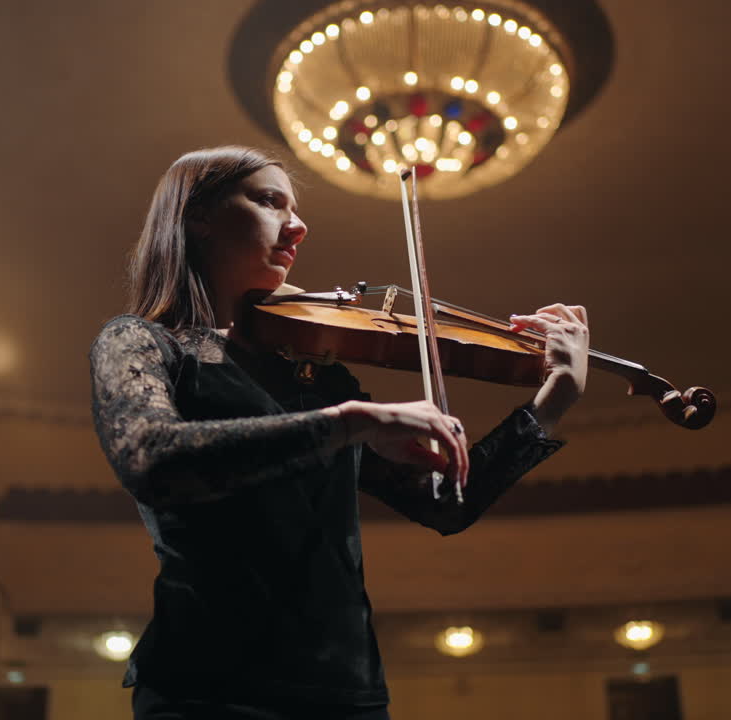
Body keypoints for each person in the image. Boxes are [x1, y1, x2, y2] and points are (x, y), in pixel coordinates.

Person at [90, 146, 590, 720]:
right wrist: (348, 424)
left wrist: (549, 406)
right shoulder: (144, 344)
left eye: (294, 208)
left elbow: (446, 507)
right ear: (198, 215)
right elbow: (151, 460)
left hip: (346, 694)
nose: (298, 225)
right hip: (207, 685)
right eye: (269, 201)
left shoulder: (315, 370)